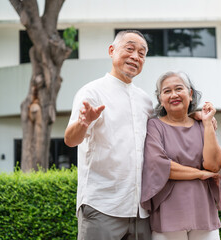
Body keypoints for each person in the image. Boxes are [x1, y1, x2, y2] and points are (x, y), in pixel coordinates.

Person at [64, 30, 153, 240]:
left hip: (141, 211)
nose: (135, 56)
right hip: (101, 206)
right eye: (129, 49)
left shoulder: (145, 101)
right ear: (112, 51)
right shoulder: (92, 92)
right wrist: (84, 123)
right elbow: (70, 139)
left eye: (142, 53)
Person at [141, 71, 221, 240]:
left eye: (178, 89)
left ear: (190, 94)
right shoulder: (154, 126)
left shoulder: (202, 124)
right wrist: (200, 174)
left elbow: (213, 165)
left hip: (203, 212)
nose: (173, 95)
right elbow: (159, 165)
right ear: (160, 99)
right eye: (167, 91)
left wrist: (207, 123)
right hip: (168, 213)